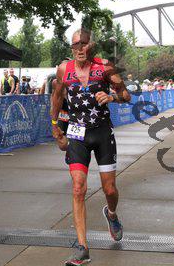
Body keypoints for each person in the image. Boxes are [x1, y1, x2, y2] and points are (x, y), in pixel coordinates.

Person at [51, 28, 131, 266]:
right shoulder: (64, 69)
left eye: (83, 44)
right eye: (75, 45)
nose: (79, 49)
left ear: (91, 45)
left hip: (102, 132)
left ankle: (111, 214)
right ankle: (82, 248)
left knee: (110, 189)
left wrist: (112, 97)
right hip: (77, 134)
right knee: (78, 188)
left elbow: (126, 95)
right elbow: (57, 97)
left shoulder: (104, 67)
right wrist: (55, 127)